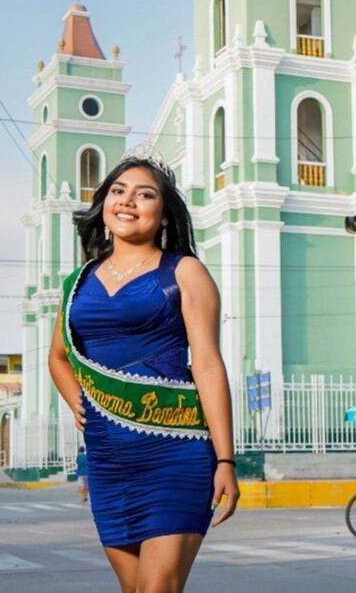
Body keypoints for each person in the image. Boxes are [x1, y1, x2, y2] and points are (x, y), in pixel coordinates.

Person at [48, 150, 239, 592]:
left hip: (176, 450)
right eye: (118, 191)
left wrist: (226, 459)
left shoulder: (184, 272)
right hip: (108, 458)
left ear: (165, 215)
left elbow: (208, 364)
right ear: (105, 205)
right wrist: (76, 397)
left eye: (144, 194)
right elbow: (58, 356)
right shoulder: (77, 283)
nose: (128, 201)